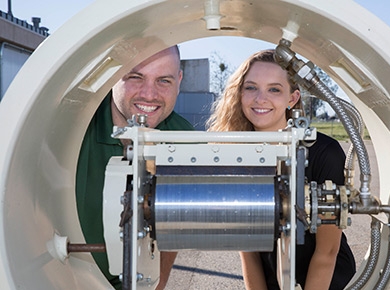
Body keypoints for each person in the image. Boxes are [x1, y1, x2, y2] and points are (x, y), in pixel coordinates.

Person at [207, 49, 356, 290]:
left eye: (274, 89)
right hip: (270, 278)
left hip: (327, 280)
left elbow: (327, 251)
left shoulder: (324, 152)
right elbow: (248, 251)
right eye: (251, 87)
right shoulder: (234, 153)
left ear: (292, 98)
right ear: (239, 94)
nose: (260, 99)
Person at [76, 45, 195, 290]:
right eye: (135, 77)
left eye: (163, 80)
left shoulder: (183, 137)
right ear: (112, 76)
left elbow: (173, 228)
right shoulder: (74, 130)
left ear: (179, 80)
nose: (149, 94)